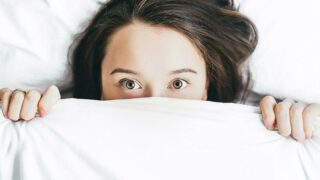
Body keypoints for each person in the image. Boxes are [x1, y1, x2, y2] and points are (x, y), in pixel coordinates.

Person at [0, 0, 319, 142]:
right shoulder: (53, 131)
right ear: (99, 85)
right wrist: (13, 114)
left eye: (178, 82)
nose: (155, 102)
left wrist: (308, 124)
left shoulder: (262, 131)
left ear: (207, 85)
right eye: (129, 82)